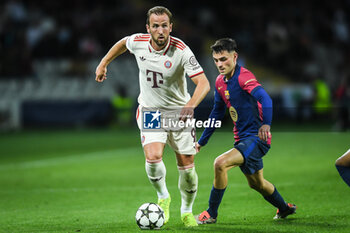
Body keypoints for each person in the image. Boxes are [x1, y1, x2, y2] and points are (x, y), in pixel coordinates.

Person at [95, 6, 210, 227]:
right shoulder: (138, 41)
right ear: (148, 28)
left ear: (170, 27)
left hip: (179, 114)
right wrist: (103, 63)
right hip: (151, 111)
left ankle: (186, 211)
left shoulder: (181, 50)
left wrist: (190, 105)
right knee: (154, 156)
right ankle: (164, 197)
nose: (160, 30)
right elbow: (122, 44)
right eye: (155, 26)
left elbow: (203, 83)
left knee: (187, 167)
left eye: (164, 25)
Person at [194, 38, 296, 224]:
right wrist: (202, 141)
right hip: (242, 139)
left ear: (235, 57)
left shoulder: (244, 77)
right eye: (216, 60)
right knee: (257, 184)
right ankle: (284, 208)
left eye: (224, 59)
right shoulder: (220, 82)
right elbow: (216, 113)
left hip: (257, 138)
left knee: (220, 163)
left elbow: (266, 99)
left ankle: (211, 214)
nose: (220, 64)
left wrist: (266, 124)